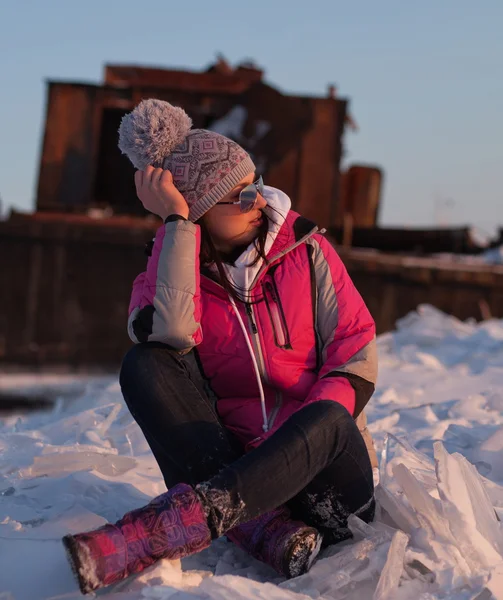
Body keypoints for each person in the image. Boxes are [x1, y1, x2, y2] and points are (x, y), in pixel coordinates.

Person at [62, 99, 378, 595]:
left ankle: (161, 531)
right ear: (202, 213)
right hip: (229, 469)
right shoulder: (164, 265)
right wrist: (176, 227)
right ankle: (262, 528)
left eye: (256, 186)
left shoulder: (308, 250)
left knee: (330, 416)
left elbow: (355, 353)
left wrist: (283, 457)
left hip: (327, 484)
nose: (259, 200)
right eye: (240, 195)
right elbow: (169, 332)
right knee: (145, 364)